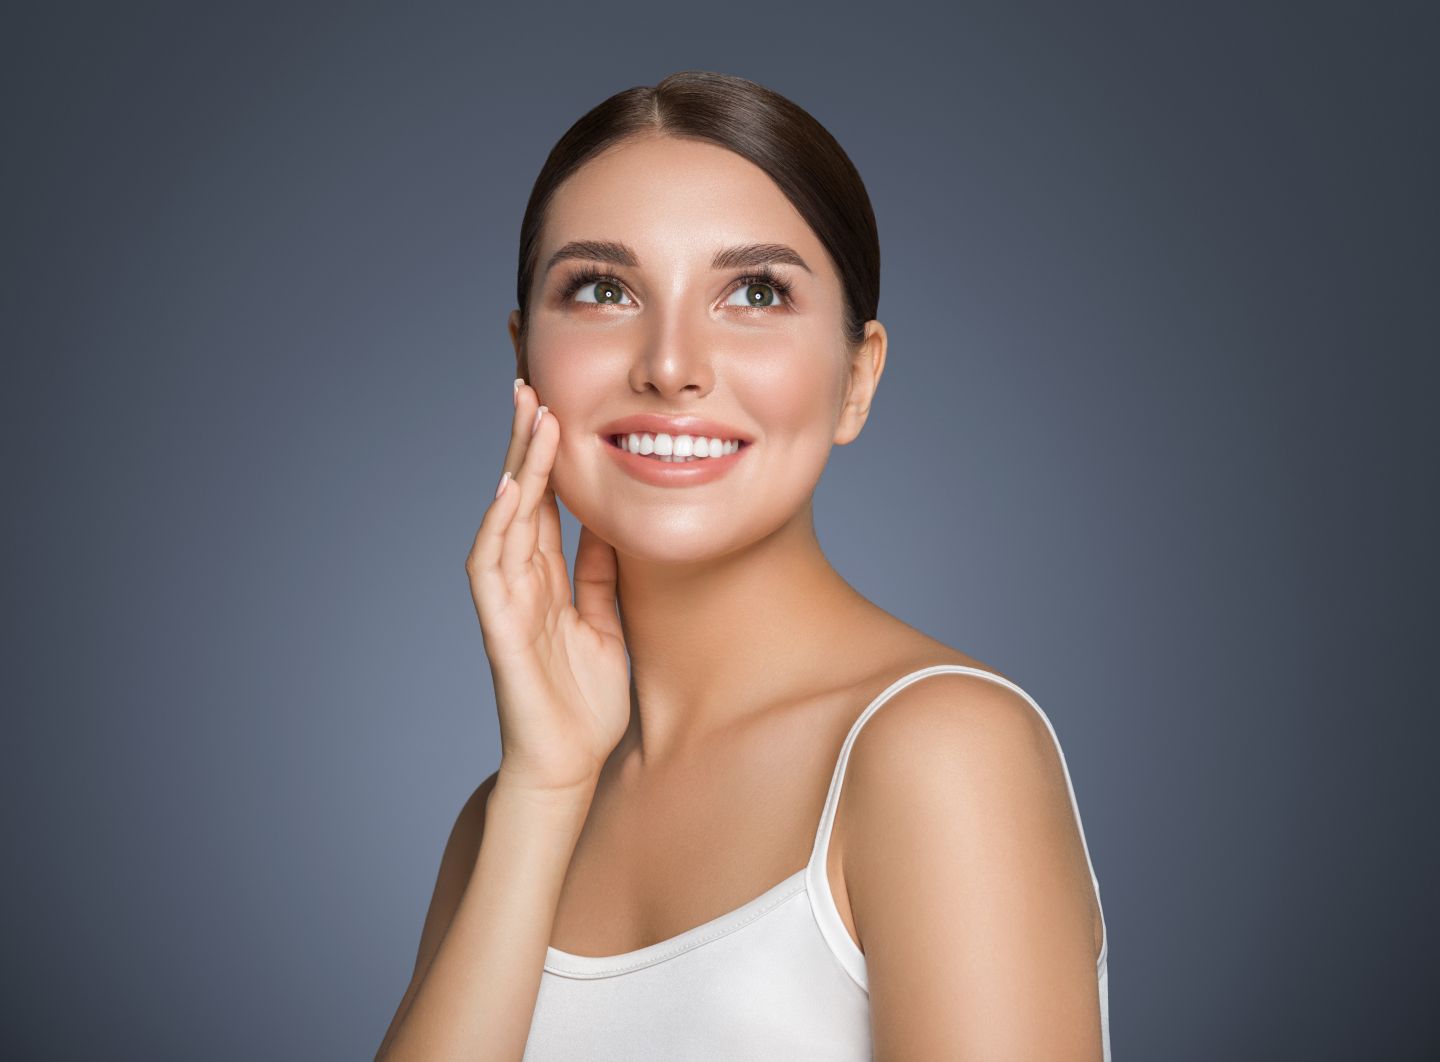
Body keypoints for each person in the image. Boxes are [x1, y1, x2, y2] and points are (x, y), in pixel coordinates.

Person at [376, 70, 1109, 1061]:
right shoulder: (505, 816)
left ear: (858, 377)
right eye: (601, 289)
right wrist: (545, 791)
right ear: (525, 364)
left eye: (755, 292)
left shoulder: (941, 752)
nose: (671, 363)